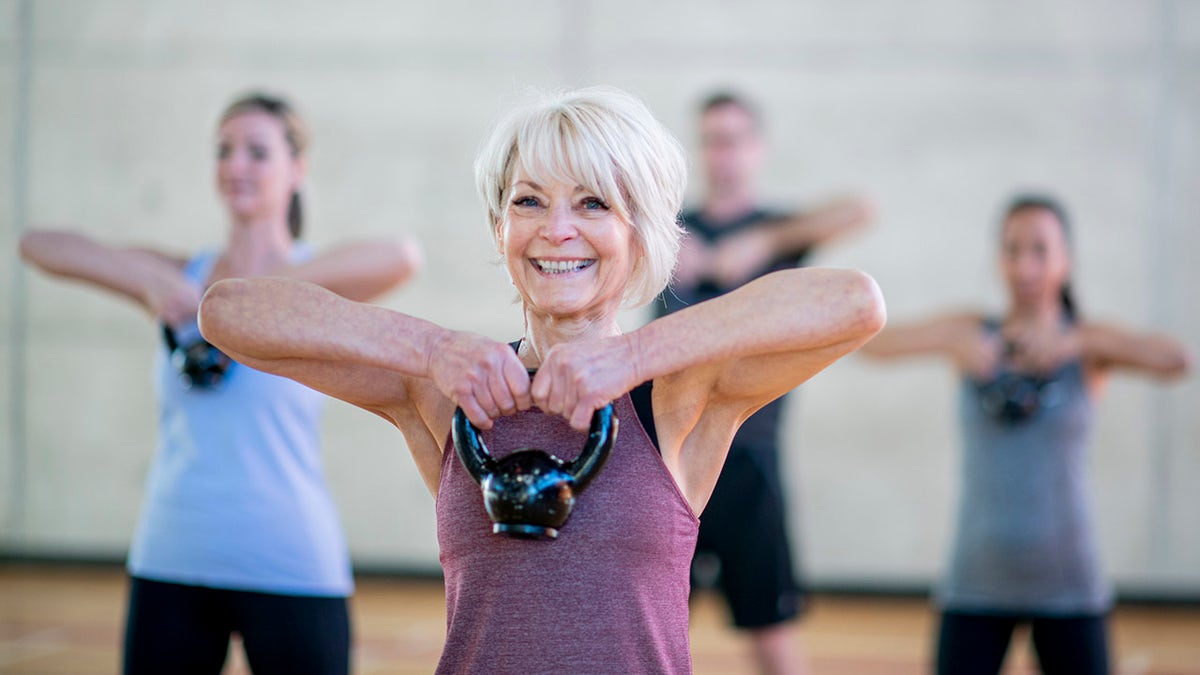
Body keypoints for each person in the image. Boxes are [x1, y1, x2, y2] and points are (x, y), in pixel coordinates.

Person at [198, 85, 886, 674]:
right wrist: (429, 344)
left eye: (591, 204)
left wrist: (634, 355)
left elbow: (855, 302)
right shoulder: (445, 390)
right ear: (501, 228)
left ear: (639, 233)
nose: (557, 230)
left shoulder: (678, 396)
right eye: (529, 202)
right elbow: (227, 310)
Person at [19, 92, 423, 675]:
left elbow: (403, 255)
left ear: (297, 172)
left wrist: (258, 296)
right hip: (171, 558)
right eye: (224, 150)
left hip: (291, 563)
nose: (236, 165)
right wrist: (149, 282)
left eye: (258, 152)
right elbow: (40, 244)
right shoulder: (182, 274)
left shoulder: (316, 289)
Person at [860, 194, 1191, 675]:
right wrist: (959, 346)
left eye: (1040, 250)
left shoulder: (1088, 343)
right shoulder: (971, 331)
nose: (1024, 265)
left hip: (1069, 582)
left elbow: (1178, 360)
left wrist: (1077, 341)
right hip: (975, 581)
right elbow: (875, 345)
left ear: (1066, 260)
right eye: (1012, 250)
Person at [655, 91, 874, 673]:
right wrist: (661, 237)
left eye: (731, 139)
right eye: (710, 140)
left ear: (756, 149)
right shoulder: (666, 233)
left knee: (772, 636)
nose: (720, 154)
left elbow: (859, 208)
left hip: (749, 461)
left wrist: (762, 242)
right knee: (647, 627)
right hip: (666, 460)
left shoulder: (779, 231)